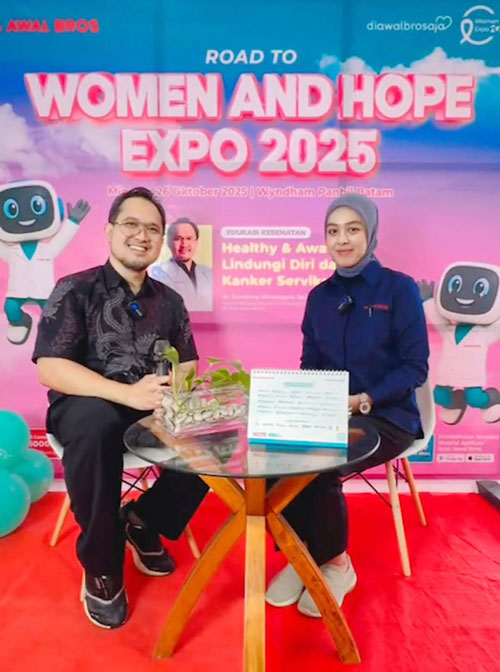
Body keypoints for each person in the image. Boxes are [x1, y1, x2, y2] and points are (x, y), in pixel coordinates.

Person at [32, 187, 208, 629]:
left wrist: (175, 395)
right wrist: (126, 394)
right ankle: (103, 565)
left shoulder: (170, 301)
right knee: (95, 423)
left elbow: (188, 363)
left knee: (212, 430)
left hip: (151, 410)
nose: (141, 235)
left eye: (152, 229)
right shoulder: (75, 289)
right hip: (86, 409)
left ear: (161, 240)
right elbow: (51, 368)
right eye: (131, 224)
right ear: (110, 231)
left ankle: (144, 520)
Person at [265, 194, 429, 616]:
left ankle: (337, 564)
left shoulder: (399, 288)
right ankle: (302, 553)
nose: (342, 239)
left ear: (370, 233)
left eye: (352, 229)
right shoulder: (319, 297)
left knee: (320, 462)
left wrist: (364, 401)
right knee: (271, 456)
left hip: (388, 416)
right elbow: (310, 364)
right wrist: (305, 404)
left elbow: (415, 367)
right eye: (333, 231)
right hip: (331, 413)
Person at [150, 217, 213, 311]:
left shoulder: (208, 273)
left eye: (189, 238)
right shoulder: (159, 273)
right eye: (178, 239)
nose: (184, 244)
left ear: (196, 242)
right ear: (168, 242)